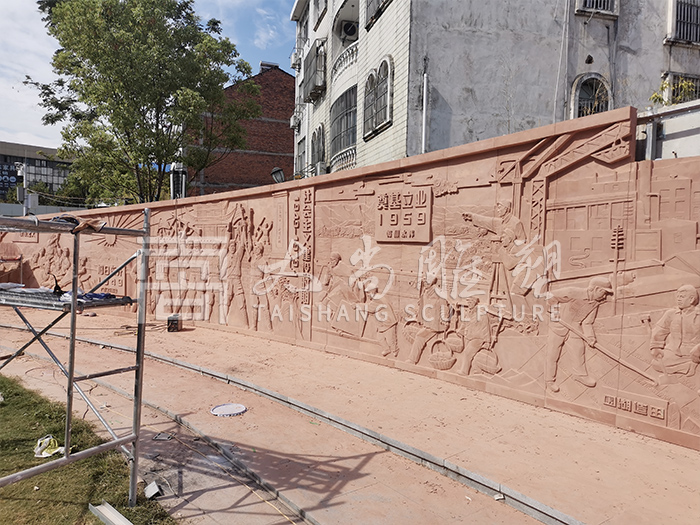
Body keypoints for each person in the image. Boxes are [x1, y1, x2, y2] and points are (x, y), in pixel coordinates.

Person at [545, 276, 613, 392]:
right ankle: (549, 380)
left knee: (578, 349)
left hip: (574, 328)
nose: (605, 296)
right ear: (596, 289)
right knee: (553, 353)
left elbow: (587, 322)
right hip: (558, 326)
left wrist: (590, 337)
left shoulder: (595, 303)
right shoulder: (574, 292)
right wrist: (554, 312)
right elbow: (551, 296)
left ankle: (580, 375)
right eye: (604, 292)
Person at [650, 285, 700, 377]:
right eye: (678, 297)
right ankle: (689, 367)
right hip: (676, 352)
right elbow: (660, 330)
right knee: (656, 363)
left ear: (691, 299)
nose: (679, 299)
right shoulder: (671, 314)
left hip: (695, 352)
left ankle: (693, 363)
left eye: (682, 297)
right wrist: (655, 347)